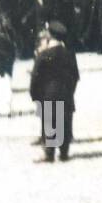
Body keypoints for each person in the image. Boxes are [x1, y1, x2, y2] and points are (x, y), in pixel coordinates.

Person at [29, 21, 79, 163]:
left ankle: (49, 153)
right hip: (66, 93)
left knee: (50, 122)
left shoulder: (44, 54)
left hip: (48, 94)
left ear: (50, 36)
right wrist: (70, 91)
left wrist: (35, 94)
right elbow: (75, 76)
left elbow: (35, 77)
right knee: (64, 121)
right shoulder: (69, 54)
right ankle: (64, 152)